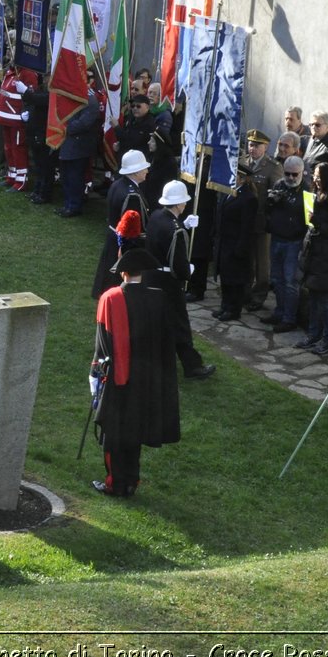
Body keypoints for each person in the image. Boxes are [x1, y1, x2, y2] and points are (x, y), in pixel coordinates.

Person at [91, 248, 179, 496]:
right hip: (149, 378)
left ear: (123, 273)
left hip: (120, 378)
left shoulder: (111, 299)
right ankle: (132, 480)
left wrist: (96, 376)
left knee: (115, 435)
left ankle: (115, 482)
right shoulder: (158, 298)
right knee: (136, 432)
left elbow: (103, 345)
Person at [143, 180, 216, 380]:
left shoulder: (157, 217)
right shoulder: (175, 230)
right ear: (178, 204)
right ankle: (192, 366)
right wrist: (188, 271)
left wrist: (183, 226)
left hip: (151, 276)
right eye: (183, 202)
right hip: (168, 282)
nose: (185, 205)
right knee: (180, 325)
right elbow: (179, 264)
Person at [294, 162, 328, 353]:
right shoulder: (317, 195)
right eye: (314, 175)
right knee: (314, 299)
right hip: (313, 253)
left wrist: (317, 222)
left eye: (318, 175)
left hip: (327, 257)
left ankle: (327, 340)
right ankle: (313, 335)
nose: (315, 178)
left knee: (325, 301)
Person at [92, 149, 151, 297]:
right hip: (124, 242)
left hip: (113, 235)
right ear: (135, 171)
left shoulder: (118, 184)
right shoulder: (132, 196)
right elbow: (133, 228)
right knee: (118, 283)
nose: (147, 170)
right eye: (143, 168)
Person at [264, 155, 309, 333]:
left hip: (294, 241)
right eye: (287, 174)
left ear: (302, 172)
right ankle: (279, 312)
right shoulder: (279, 185)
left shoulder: (306, 191)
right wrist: (272, 201)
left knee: (291, 281)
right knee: (276, 279)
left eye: (294, 175)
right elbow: (268, 209)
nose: (290, 178)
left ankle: (289, 318)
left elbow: (310, 221)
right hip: (277, 238)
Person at [240, 129, 280, 313]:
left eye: (256, 145)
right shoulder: (242, 162)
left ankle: (258, 296)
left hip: (261, 221)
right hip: (243, 219)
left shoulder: (272, 167)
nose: (252, 148)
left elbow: (275, 195)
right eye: (250, 144)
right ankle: (245, 292)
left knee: (261, 261)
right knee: (245, 258)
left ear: (266, 147)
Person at [56, 70, 104, 218]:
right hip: (68, 143)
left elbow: (85, 122)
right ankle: (68, 204)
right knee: (66, 176)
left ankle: (74, 206)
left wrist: (64, 127)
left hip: (79, 144)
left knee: (75, 177)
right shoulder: (75, 94)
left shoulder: (90, 99)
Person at [212, 170, 257, 322]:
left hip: (236, 245)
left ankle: (233, 309)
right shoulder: (228, 192)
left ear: (242, 179)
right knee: (225, 277)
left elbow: (247, 226)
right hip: (225, 243)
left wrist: (241, 248)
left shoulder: (248, 198)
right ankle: (225, 305)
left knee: (235, 280)